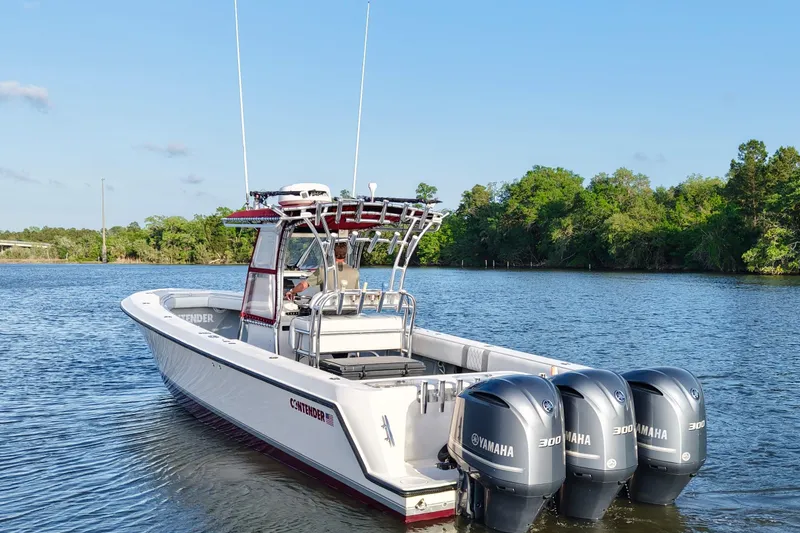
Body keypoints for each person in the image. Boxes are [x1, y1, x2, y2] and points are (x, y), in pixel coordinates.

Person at [285, 242, 360, 300]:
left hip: (329, 310)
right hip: (350, 310)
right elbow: (356, 293)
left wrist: (292, 291)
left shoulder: (323, 271)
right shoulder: (355, 272)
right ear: (346, 254)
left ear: (332, 253)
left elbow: (303, 286)